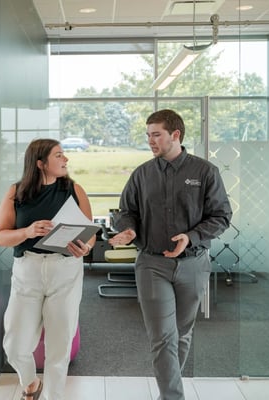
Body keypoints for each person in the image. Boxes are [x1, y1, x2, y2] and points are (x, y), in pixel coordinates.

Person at [109, 109, 232, 400]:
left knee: (181, 334)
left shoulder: (204, 172)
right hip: (152, 264)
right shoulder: (142, 174)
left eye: (156, 134)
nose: (150, 140)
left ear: (175, 135)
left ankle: (169, 390)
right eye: (148, 135)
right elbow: (127, 212)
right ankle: (173, 397)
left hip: (193, 264)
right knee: (163, 338)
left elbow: (221, 216)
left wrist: (190, 237)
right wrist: (127, 230)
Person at [0, 138, 95, 400]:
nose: (66, 159)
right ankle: (30, 384)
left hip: (66, 269)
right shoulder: (15, 192)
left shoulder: (74, 190)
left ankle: (54, 397)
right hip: (28, 270)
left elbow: (90, 235)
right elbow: (1, 236)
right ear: (40, 163)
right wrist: (27, 231)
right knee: (15, 345)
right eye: (59, 155)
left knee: (59, 346)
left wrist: (84, 248)